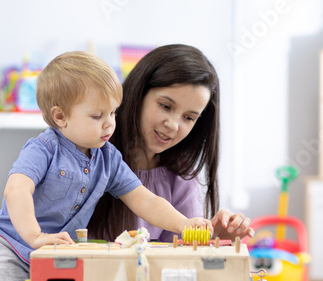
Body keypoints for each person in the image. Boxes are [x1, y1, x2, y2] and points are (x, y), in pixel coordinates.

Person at [0, 51, 212, 281]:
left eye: (113, 113)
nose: (109, 124)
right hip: (6, 253)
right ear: (60, 117)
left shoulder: (108, 157)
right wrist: (35, 237)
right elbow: (16, 190)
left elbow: (144, 200)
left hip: (45, 263)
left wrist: (183, 224)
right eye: (98, 116)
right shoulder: (44, 148)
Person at [88, 44, 254, 242]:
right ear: (138, 93)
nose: (173, 125)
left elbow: (179, 259)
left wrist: (213, 238)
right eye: (165, 106)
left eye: (189, 117)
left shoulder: (180, 176)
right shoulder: (87, 155)